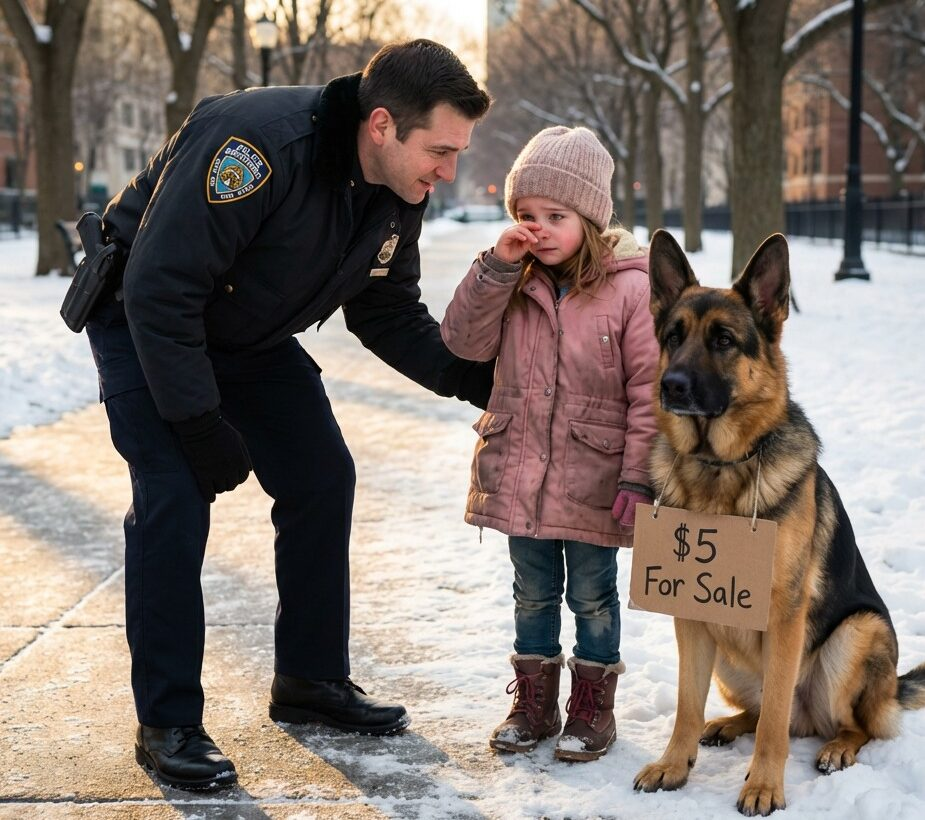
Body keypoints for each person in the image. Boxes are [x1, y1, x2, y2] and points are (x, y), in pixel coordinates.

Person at [85, 39, 493, 790]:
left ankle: (309, 681)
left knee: (321, 478)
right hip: (147, 324)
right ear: (380, 125)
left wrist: (482, 382)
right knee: (174, 499)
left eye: (456, 152)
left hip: (249, 334)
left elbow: (386, 308)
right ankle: (168, 721)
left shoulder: (397, 190)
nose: (448, 170)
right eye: (439, 150)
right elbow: (159, 288)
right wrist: (200, 424)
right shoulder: (257, 145)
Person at [440, 126, 659, 762]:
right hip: (521, 471)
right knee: (531, 592)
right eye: (526, 215)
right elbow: (462, 342)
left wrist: (639, 476)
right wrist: (498, 265)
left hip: (596, 480)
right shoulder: (512, 280)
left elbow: (649, 391)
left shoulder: (630, 289)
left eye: (555, 216)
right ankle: (533, 703)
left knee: (592, 596)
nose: (538, 228)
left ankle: (593, 706)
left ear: (589, 217)